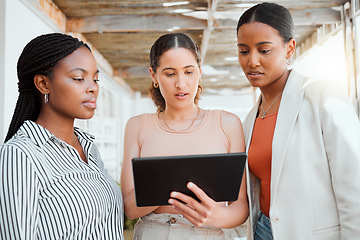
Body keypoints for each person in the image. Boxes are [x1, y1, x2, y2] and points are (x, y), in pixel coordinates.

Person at [236, 2, 360, 240]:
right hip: (262, 231)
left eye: (264, 50)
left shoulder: (322, 96)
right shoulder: (250, 119)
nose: (252, 61)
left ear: (289, 48)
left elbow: (354, 185)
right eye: (243, 51)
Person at [120, 32, 248, 239]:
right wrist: (171, 184)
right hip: (154, 232)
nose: (181, 83)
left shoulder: (228, 124)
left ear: (199, 71)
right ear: (154, 75)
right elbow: (130, 208)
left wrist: (217, 216)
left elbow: (240, 206)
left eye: (189, 72)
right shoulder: (137, 126)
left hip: (208, 232)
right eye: (170, 74)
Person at [0, 33, 124, 239]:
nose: (93, 88)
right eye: (78, 78)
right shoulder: (20, 154)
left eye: (95, 79)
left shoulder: (89, 147)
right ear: (43, 84)